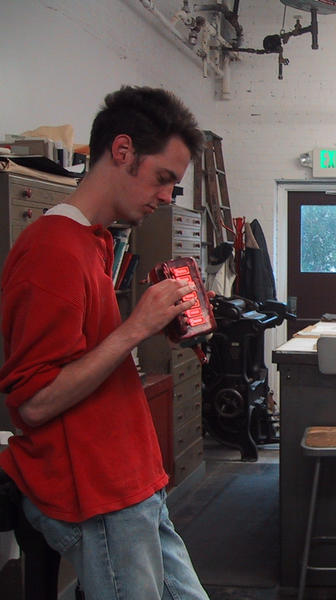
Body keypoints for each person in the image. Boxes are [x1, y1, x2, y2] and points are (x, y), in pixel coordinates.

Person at [0, 86, 210, 599]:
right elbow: (33, 402)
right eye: (163, 178)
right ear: (122, 151)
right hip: (98, 495)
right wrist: (135, 327)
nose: (167, 197)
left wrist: (157, 325)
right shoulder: (52, 250)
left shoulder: (93, 242)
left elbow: (87, 353)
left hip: (133, 482)